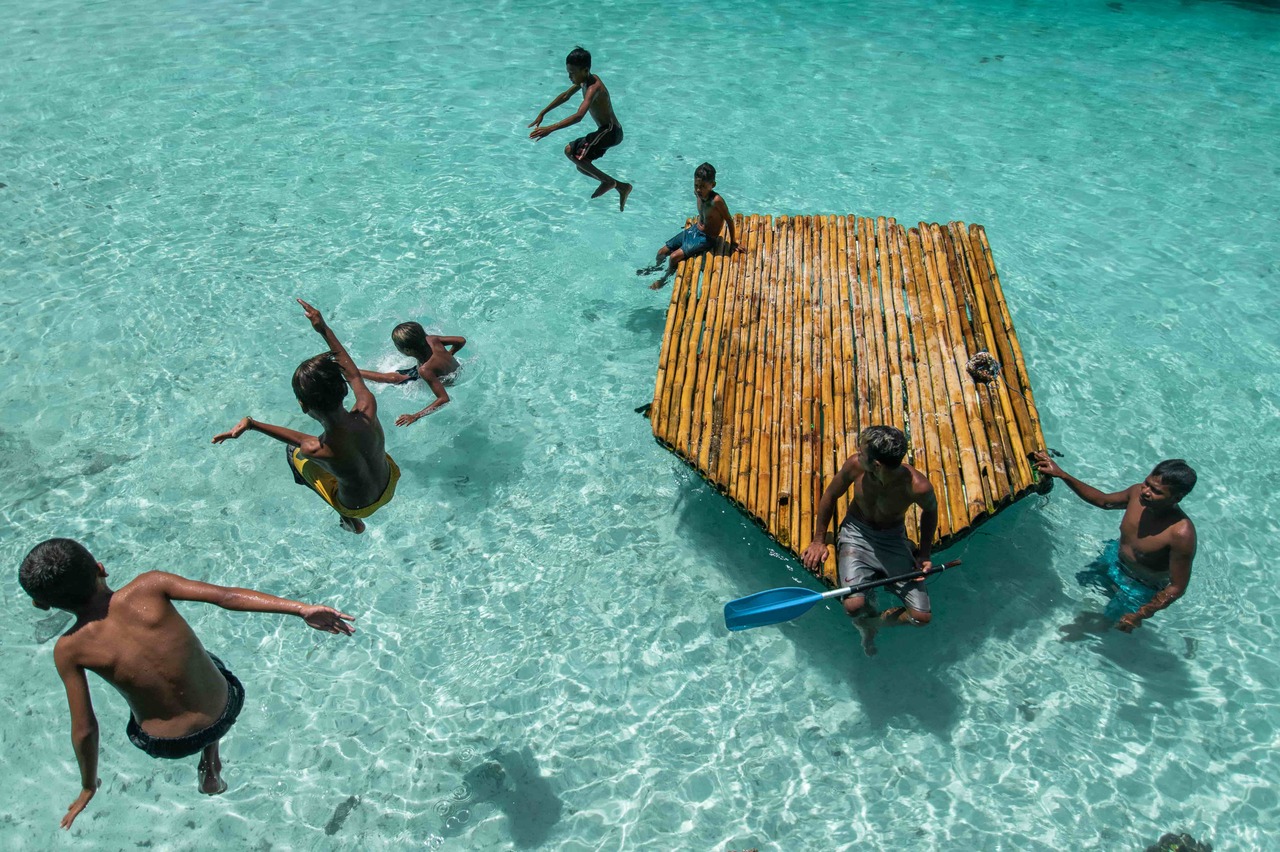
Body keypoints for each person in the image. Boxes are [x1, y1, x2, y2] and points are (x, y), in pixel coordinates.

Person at [18, 537, 354, 829]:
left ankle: (208, 761)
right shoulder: (149, 585)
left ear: (41, 604)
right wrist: (300, 609)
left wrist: (88, 785)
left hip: (167, 743)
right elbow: (227, 597)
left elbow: (85, 728)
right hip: (225, 708)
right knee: (206, 662)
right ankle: (212, 758)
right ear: (100, 567)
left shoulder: (69, 649)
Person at [212, 299, 399, 535]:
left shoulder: (315, 449)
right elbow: (353, 374)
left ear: (303, 406)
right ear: (342, 389)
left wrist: (253, 424)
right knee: (356, 448)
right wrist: (323, 328)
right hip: (390, 481)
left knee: (294, 455)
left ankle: (349, 520)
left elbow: (297, 441)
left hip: (357, 507)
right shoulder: (367, 408)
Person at [801, 426, 939, 655]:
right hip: (856, 533)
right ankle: (866, 614)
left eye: (862, 452)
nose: (857, 454)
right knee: (853, 606)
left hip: (892, 540)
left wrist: (924, 554)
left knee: (920, 617)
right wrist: (818, 540)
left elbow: (930, 512)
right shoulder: (855, 466)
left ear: (876, 464)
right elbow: (831, 495)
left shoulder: (917, 486)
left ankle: (872, 624)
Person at [1033, 453, 1197, 633]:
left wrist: (1141, 614)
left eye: (1156, 491)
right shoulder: (1136, 494)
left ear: (1176, 498)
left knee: (1101, 627)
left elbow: (1177, 587)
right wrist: (1062, 474)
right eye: (1147, 483)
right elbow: (1103, 501)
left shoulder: (1180, 533)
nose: (1146, 491)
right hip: (1113, 558)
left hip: (1139, 584)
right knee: (1071, 591)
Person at [528, 46, 633, 211]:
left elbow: (579, 116)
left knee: (570, 152)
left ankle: (608, 182)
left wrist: (550, 128)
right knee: (581, 165)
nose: (570, 77)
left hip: (611, 132)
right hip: (606, 132)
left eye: (572, 73)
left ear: (585, 70)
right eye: (568, 73)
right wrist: (543, 112)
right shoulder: (583, 80)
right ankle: (621, 186)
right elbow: (565, 96)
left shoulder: (594, 87)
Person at [647, 162, 745, 290]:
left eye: (703, 186)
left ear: (712, 185)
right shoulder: (697, 193)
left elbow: (729, 220)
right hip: (694, 230)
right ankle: (656, 268)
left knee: (673, 257)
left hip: (706, 238)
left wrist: (733, 242)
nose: (699, 190)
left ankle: (664, 280)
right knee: (661, 252)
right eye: (696, 185)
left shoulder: (717, 201)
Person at [358, 322, 466, 426]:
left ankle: (354, 372)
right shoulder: (432, 340)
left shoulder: (425, 370)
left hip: (447, 381)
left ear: (407, 350)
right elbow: (461, 340)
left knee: (394, 379)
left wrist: (416, 416)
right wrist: (449, 353)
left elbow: (443, 398)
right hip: (454, 371)